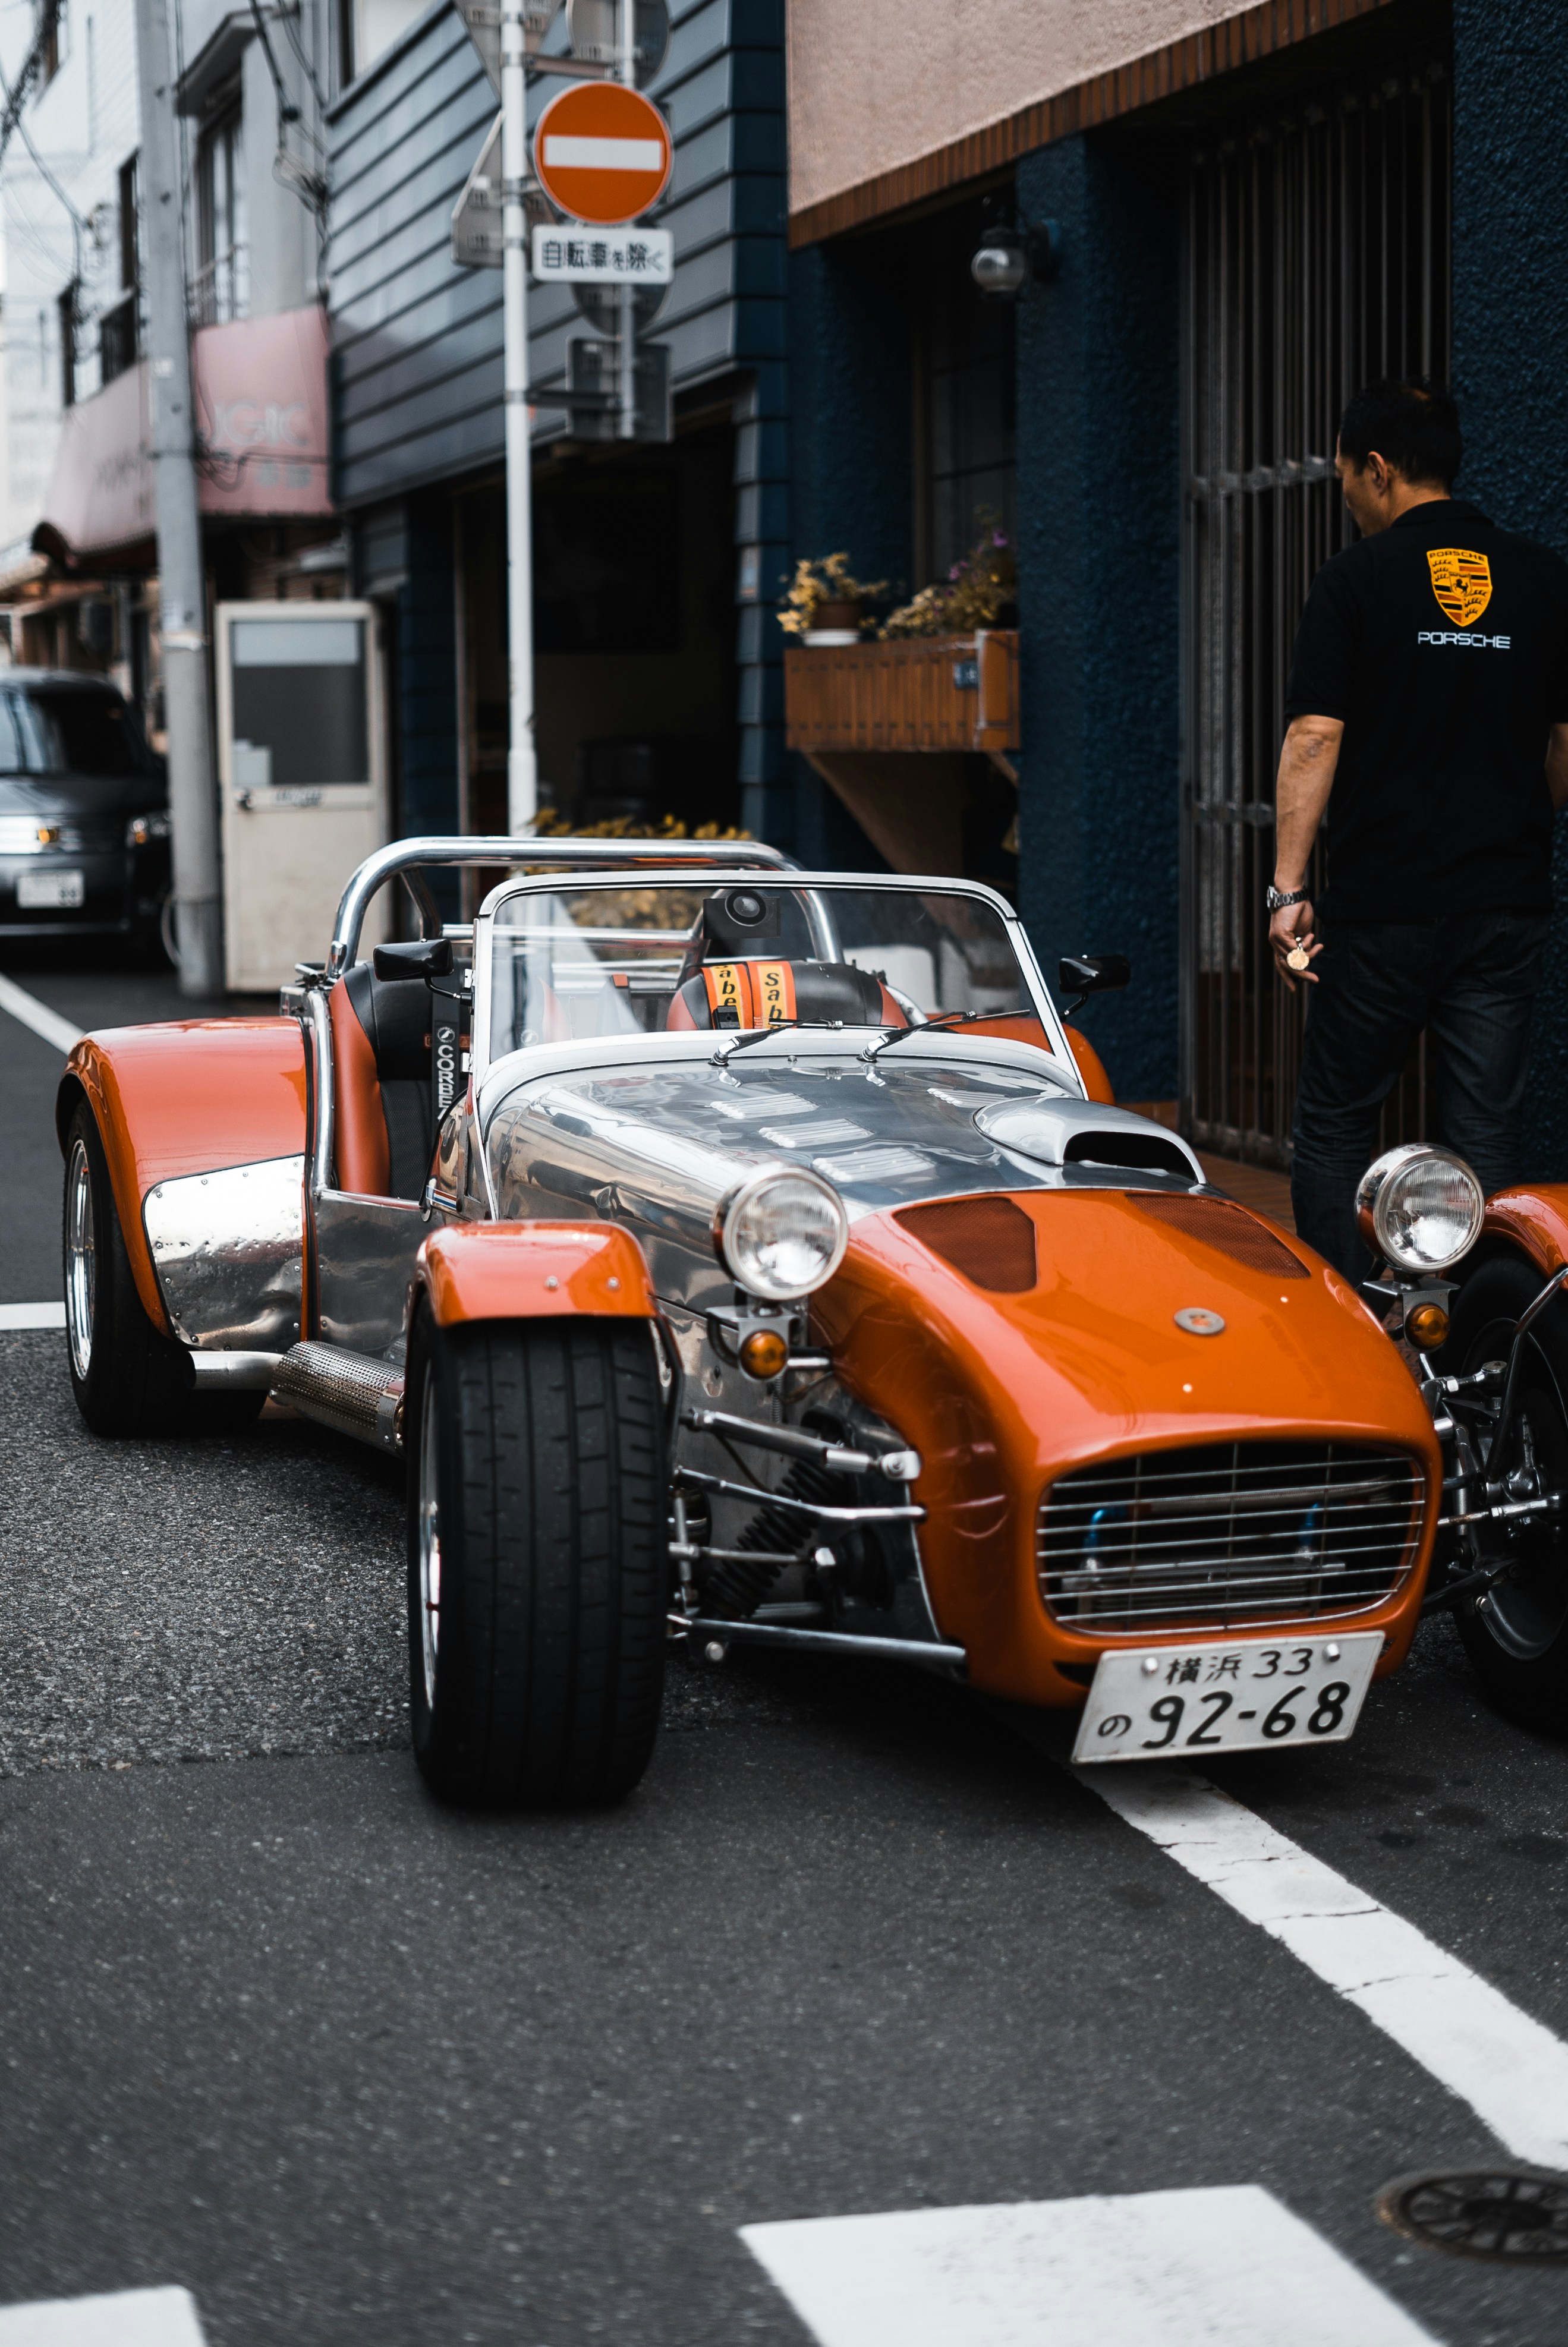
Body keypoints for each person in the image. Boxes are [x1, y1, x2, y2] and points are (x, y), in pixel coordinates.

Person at [1268, 378, 1568, 1280]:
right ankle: (1488, 1346)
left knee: (1336, 1117)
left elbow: (1315, 734)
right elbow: (1562, 747)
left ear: (1377, 469)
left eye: (1344, 477)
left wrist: (1288, 888)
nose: (1346, 495)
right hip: (1503, 902)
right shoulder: (1542, 578)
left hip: (1384, 904)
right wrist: (1509, 822)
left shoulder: (1357, 576)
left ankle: (1343, 1326)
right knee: (1486, 1129)